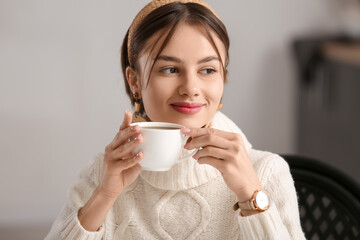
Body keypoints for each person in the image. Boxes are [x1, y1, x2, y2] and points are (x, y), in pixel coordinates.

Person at [45, 0, 306, 239]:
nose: (190, 88)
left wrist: (251, 197)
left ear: (223, 79)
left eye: (208, 70)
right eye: (170, 69)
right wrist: (104, 195)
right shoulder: (100, 175)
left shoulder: (266, 173)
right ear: (134, 81)